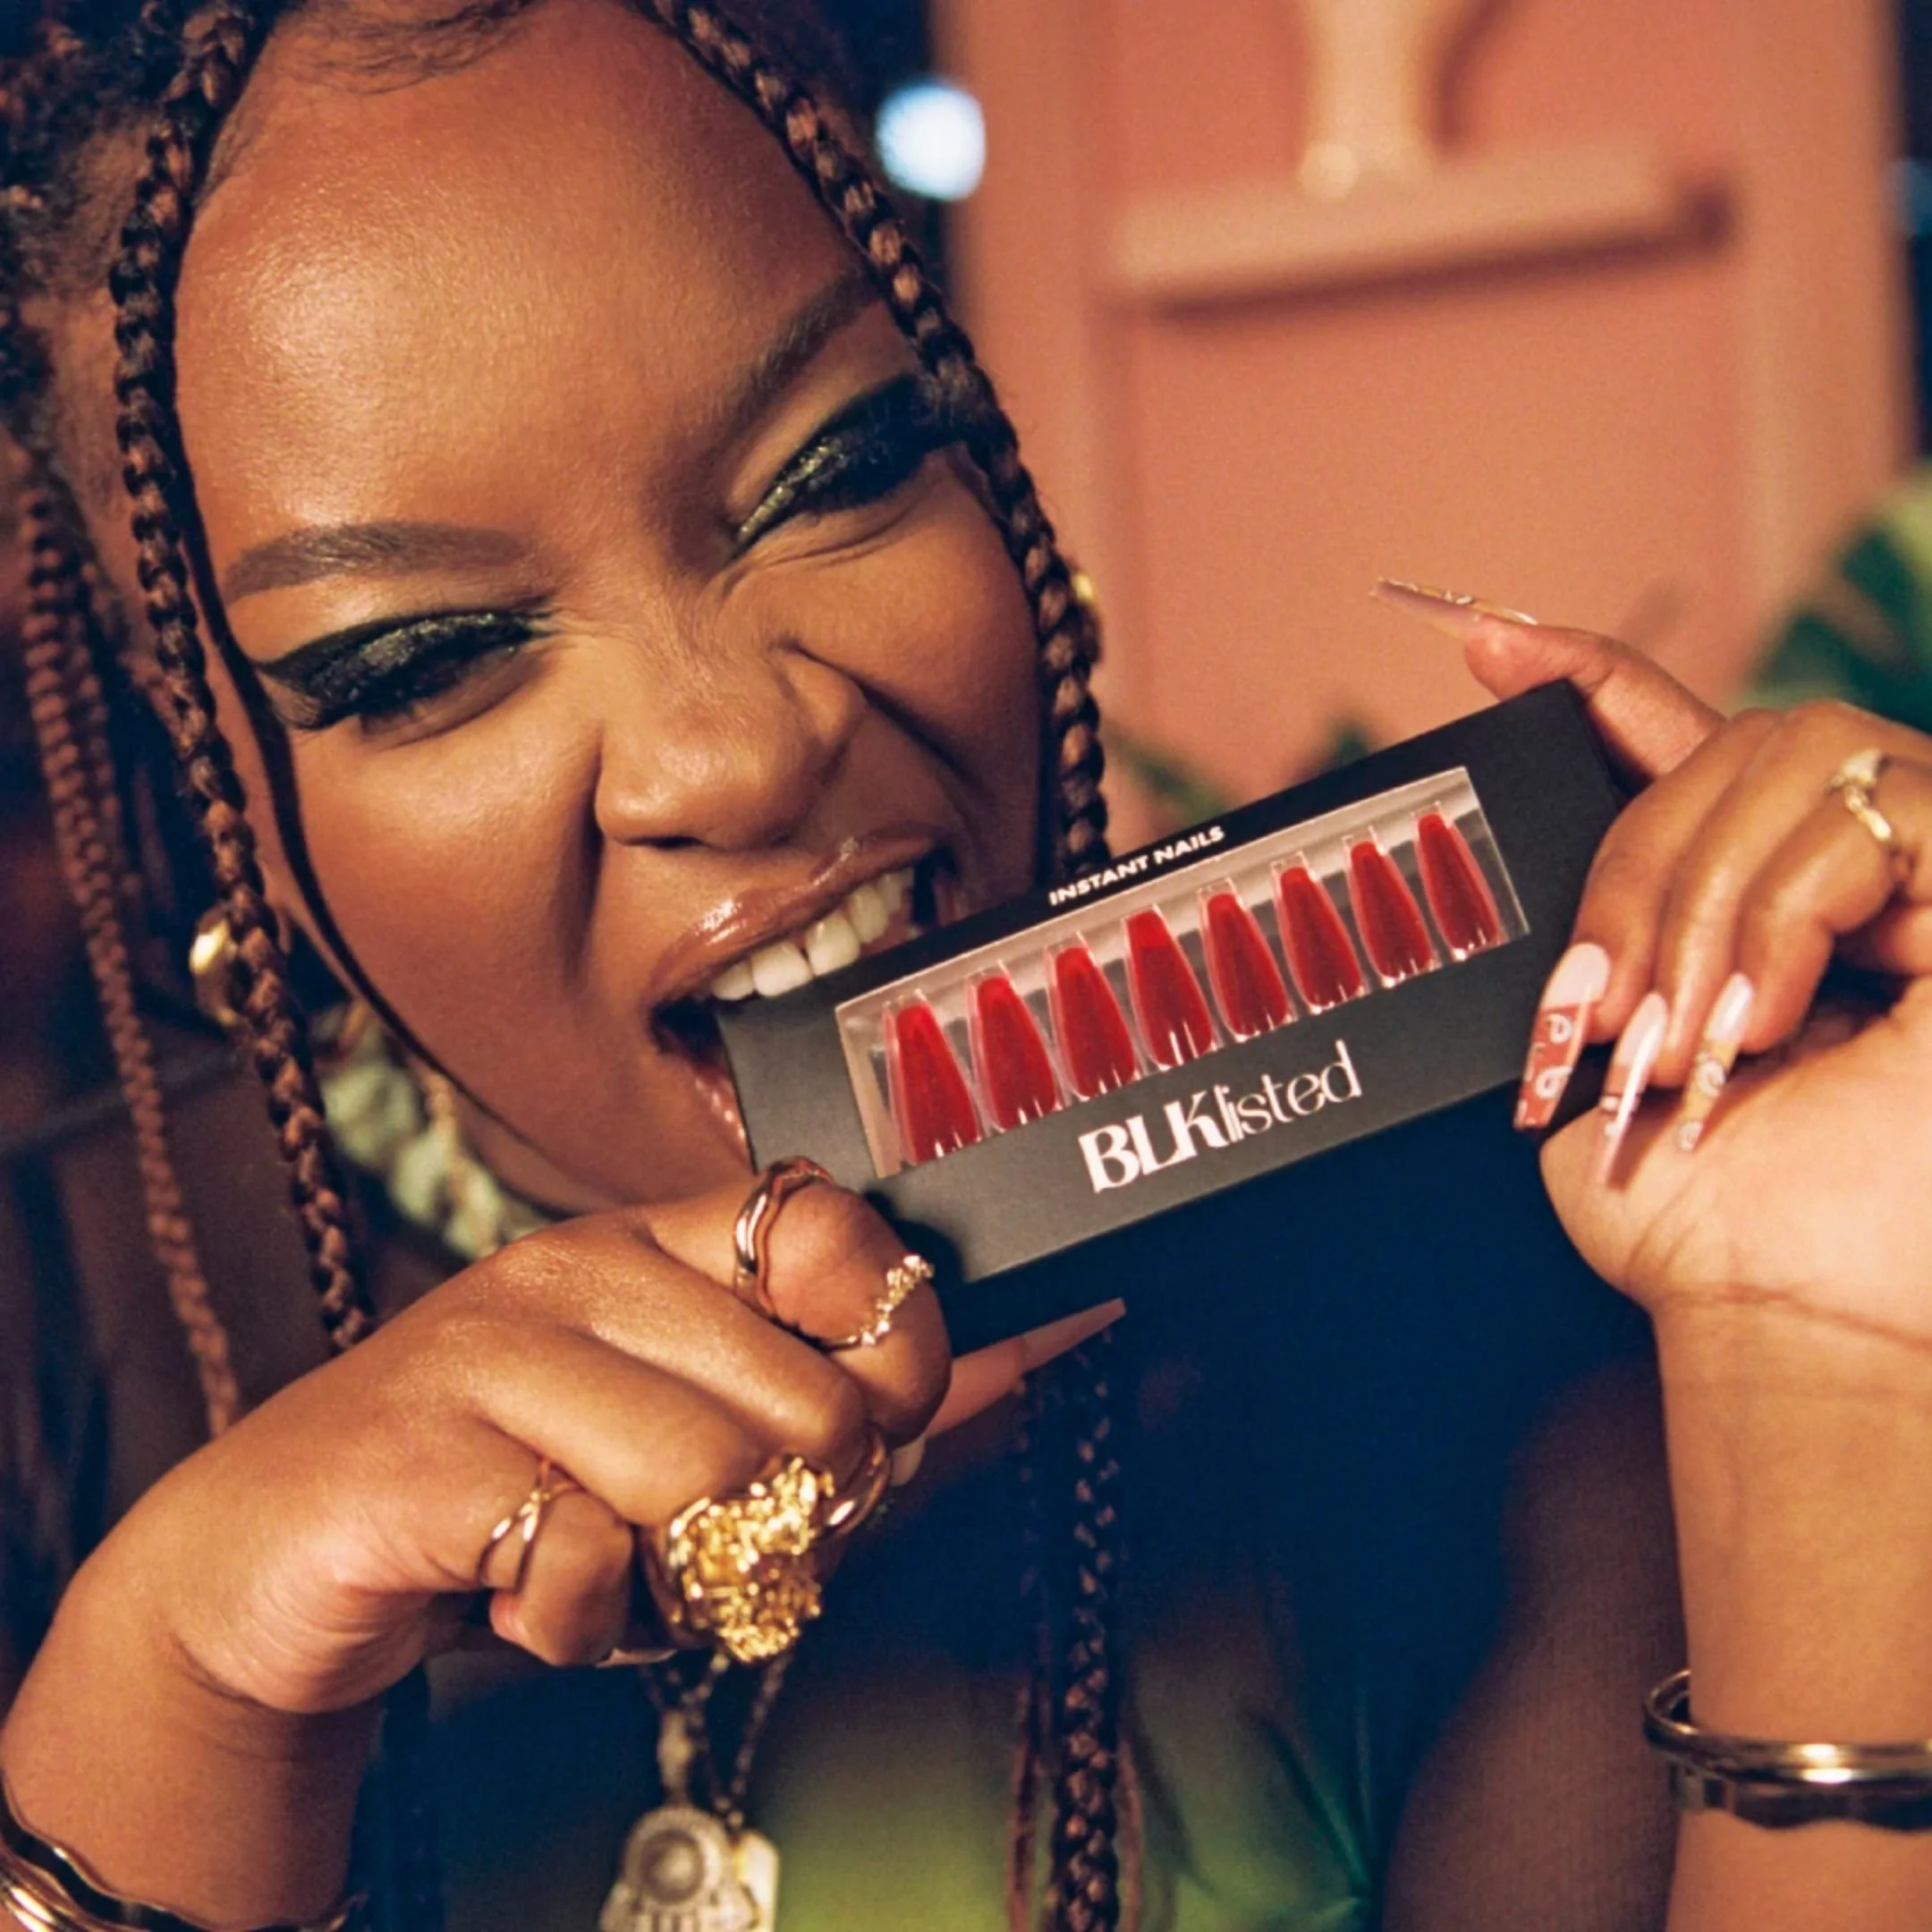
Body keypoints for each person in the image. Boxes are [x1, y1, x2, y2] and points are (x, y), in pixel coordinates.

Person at [0, 4, 1929, 1929]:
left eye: (838, 467)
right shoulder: (48, 1349)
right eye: (420, 663)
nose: (734, 753)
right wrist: (171, 1713)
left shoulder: (1491, 1303)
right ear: (220, 806)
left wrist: (1838, 1367)